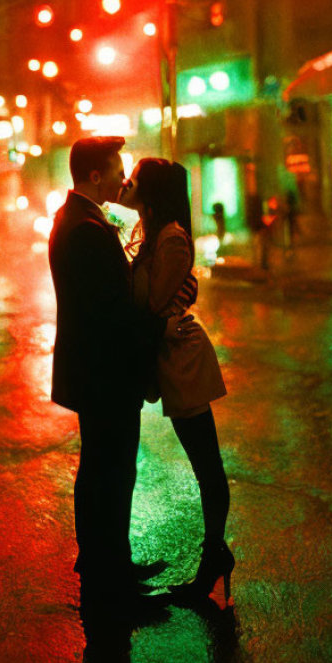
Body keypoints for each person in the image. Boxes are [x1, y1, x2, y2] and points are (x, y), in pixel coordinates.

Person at [48, 137, 189, 612]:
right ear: (94, 175)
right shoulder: (86, 228)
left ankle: (108, 563)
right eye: (116, 170)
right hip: (104, 373)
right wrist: (162, 326)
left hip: (96, 371)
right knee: (110, 474)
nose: (122, 178)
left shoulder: (80, 218)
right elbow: (111, 313)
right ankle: (113, 585)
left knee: (103, 472)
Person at [119, 158, 233, 603]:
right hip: (170, 355)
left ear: (153, 192)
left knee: (207, 465)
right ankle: (214, 559)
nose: (127, 184)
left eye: (134, 181)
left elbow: (150, 304)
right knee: (205, 462)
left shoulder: (170, 240)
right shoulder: (156, 235)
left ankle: (213, 560)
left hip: (182, 358)